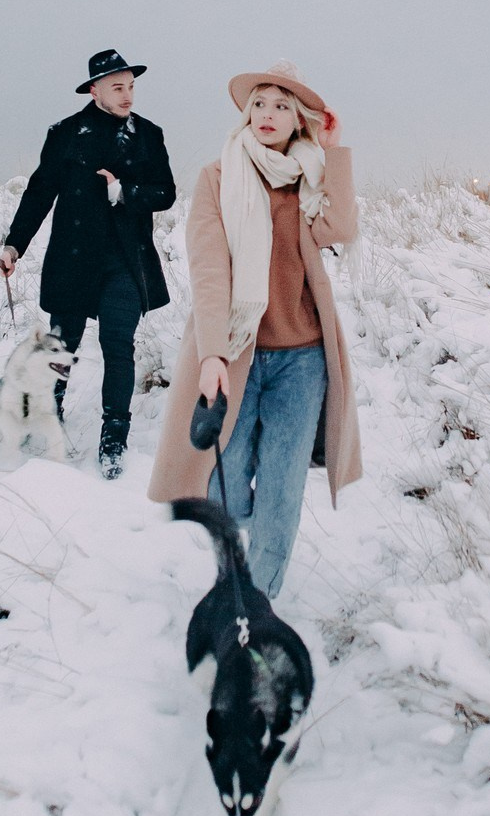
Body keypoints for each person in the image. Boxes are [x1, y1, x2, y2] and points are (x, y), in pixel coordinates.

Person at [148, 60, 361, 597]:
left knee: (282, 493)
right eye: (259, 104)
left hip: (304, 359)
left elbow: (341, 227)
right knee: (225, 484)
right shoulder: (218, 177)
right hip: (238, 353)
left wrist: (334, 149)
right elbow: (210, 268)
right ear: (247, 114)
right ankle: (242, 557)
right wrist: (212, 353)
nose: (268, 114)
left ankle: (252, 605)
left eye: (282, 106)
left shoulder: (309, 179)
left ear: (299, 121)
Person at [0, 49, 176, 478]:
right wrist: (13, 245)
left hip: (124, 261)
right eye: (118, 87)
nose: (128, 94)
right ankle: (48, 414)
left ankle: (114, 436)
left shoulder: (149, 134)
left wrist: (124, 191)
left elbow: (166, 193)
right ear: (95, 89)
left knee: (119, 346)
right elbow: (40, 192)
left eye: (132, 86)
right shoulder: (64, 133)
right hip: (74, 259)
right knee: (62, 345)